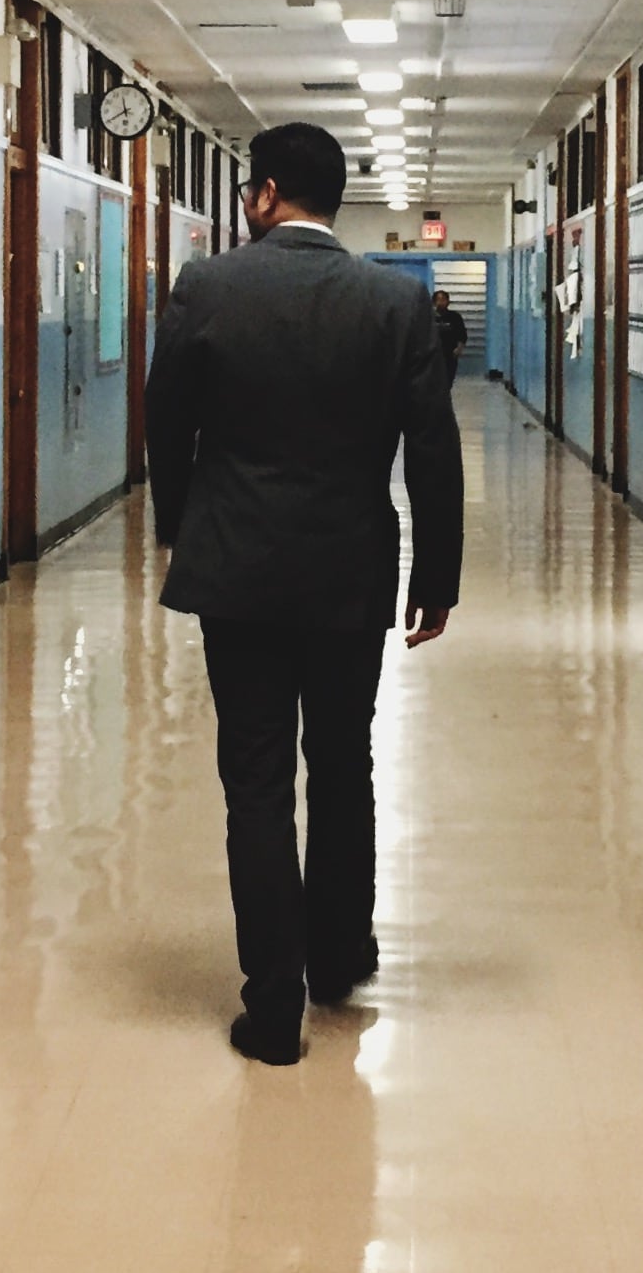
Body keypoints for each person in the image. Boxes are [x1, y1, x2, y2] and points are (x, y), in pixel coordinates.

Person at [144, 123, 465, 1065]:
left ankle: (272, 1004)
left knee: (255, 781)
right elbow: (432, 452)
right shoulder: (396, 303)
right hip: (349, 572)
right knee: (341, 763)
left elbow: (168, 420)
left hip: (235, 572)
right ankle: (336, 958)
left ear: (266, 193)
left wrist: (179, 526)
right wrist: (434, 581)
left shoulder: (208, 286)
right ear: (337, 203)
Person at [432, 288, 468, 378]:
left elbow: (462, 334)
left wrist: (459, 349)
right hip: (433, 354)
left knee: (448, 378)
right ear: (433, 302)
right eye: (438, 300)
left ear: (448, 302)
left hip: (450, 354)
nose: (440, 303)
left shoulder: (455, 317)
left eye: (443, 300)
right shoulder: (429, 317)